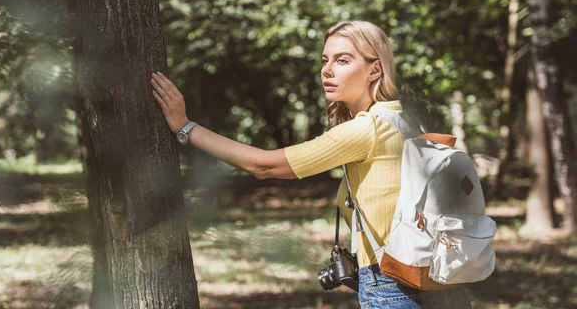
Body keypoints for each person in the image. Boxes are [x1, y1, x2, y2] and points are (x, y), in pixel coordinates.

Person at [150, 20, 472, 308]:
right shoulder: (404, 121)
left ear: (375, 69)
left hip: (396, 284)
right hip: (437, 277)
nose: (327, 70)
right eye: (325, 60)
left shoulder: (366, 129)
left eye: (343, 60)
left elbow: (265, 166)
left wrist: (184, 128)